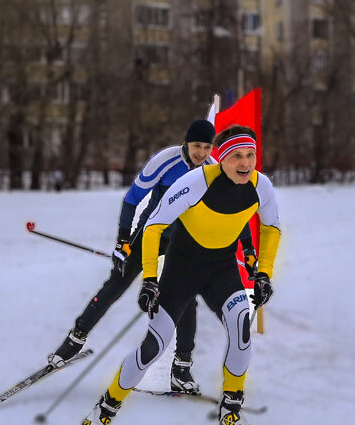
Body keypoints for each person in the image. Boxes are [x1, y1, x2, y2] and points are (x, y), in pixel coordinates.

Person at [82, 125, 281, 425]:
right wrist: (149, 278)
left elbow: (271, 228)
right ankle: (107, 407)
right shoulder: (195, 182)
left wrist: (264, 273)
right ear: (222, 159)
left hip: (222, 271)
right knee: (153, 347)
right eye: (237, 157)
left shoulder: (261, 186)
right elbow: (153, 226)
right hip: (182, 270)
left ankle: (230, 412)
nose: (245, 163)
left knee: (241, 329)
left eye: (251, 155)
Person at [47, 118, 254, 394]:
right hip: (150, 233)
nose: (201, 153)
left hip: (184, 243)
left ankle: (182, 367)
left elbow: (232, 212)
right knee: (117, 283)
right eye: (196, 146)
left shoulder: (212, 170)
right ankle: (74, 340)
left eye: (206, 147)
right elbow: (133, 198)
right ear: (186, 142)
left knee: (187, 300)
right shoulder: (165, 161)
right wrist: (123, 241)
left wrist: (248, 249)